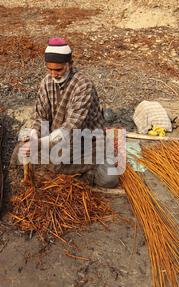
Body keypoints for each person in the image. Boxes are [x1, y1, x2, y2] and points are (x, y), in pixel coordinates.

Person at [12, 37, 121, 188]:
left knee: (109, 180)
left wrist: (40, 144)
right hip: (55, 140)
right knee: (21, 151)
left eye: (58, 69)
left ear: (69, 64)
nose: (54, 74)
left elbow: (70, 128)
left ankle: (82, 171)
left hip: (86, 142)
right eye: (50, 69)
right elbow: (40, 117)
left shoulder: (83, 85)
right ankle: (62, 167)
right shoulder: (46, 82)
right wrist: (34, 135)